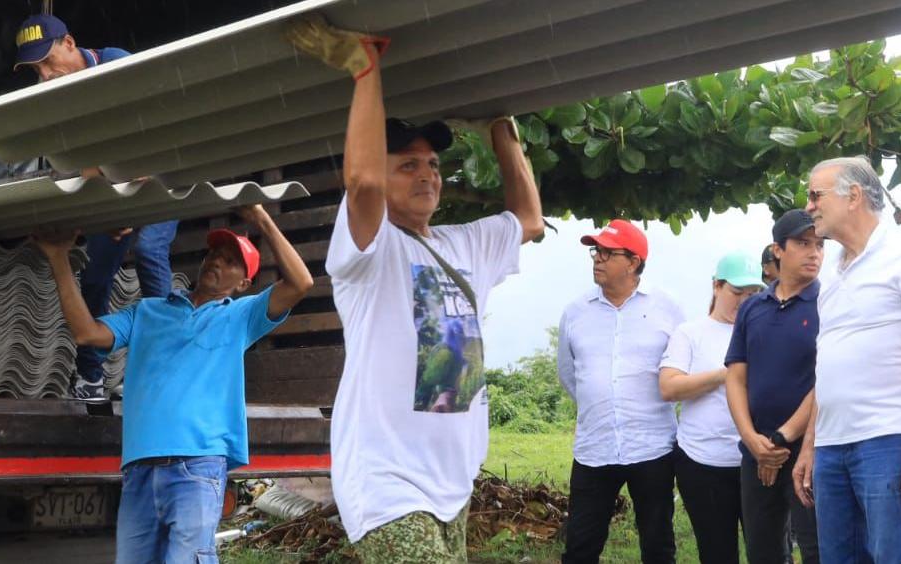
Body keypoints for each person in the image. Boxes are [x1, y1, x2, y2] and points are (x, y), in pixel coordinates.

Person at [285, 16, 544, 563]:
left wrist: (499, 127)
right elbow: (363, 183)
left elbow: (528, 218)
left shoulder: (464, 244)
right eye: (408, 165)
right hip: (387, 483)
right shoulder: (369, 247)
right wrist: (364, 72)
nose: (427, 174)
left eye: (432, 164)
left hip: (454, 484)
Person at [33, 204, 312, 563]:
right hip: (139, 468)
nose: (216, 261)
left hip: (196, 467)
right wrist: (58, 258)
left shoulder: (241, 316)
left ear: (244, 284)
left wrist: (259, 218)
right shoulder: (147, 311)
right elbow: (87, 333)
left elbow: (301, 282)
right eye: (214, 253)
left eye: (230, 261)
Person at [14, 13, 180, 402]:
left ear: (69, 43)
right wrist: (111, 205)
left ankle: (166, 365)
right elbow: (76, 163)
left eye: (49, 60)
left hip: (160, 175)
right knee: (95, 277)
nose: (46, 74)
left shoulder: (117, 65)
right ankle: (90, 377)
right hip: (112, 186)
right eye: (36, 69)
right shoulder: (55, 95)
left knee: (150, 251)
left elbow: (158, 132)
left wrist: (128, 197)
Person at [793, 156, 901, 563]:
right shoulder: (829, 274)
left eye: (815, 195)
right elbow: (826, 368)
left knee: (894, 555)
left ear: (853, 196)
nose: (808, 206)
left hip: (887, 438)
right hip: (830, 445)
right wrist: (810, 445)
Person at [558, 219, 684, 564]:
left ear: (633, 262)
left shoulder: (667, 308)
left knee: (658, 546)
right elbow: (569, 374)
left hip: (652, 447)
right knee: (581, 547)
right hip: (594, 447)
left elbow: (683, 368)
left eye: (607, 253)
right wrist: (602, 403)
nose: (597, 259)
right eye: (595, 251)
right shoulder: (576, 312)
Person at [726, 210, 823, 564]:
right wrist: (753, 441)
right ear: (777, 250)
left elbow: (824, 382)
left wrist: (781, 440)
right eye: (802, 243)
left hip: (808, 449)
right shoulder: (752, 307)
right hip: (756, 451)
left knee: (816, 548)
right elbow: (736, 376)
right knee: (763, 550)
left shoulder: (828, 305)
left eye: (819, 244)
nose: (814, 253)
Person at [658, 250, 762, 563]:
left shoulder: (764, 331)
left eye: (753, 293)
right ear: (716, 286)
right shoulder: (691, 333)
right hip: (702, 463)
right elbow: (669, 387)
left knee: (768, 550)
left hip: (758, 462)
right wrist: (726, 373)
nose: (744, 301)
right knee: (717, 552)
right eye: (736, 292)